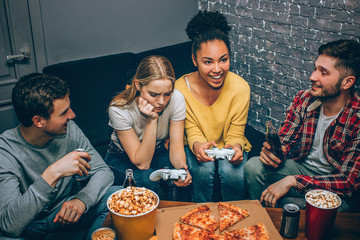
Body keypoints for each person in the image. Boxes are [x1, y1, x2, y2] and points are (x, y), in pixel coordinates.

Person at [245, 39, 360, 212]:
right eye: (315, 68)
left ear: (347, 82)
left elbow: (348, 183)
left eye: (324, 72)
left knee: (338, 209)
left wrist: (293, 181)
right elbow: (286, 142)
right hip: (303, 167)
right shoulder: (305, 98)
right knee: (253, 166)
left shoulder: (357, 118)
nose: (312, 77)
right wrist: (275, 153)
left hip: (335, 182)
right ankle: (264, 218)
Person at [0, 73, 119, 239]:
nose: (72, 115)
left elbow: (103, 172)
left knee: (119, 196)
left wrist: (82, 200)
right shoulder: (5, 151)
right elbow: (10, 225)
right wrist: (52, 173)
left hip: (65, 211)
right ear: (38, 121)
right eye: (63, 113)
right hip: (31, 225)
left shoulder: (68, 129)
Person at [175, 10, 252, 203]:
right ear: (195, 60)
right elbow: (191, 129)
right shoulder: (179, 88)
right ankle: (200, 219)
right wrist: (197, 145)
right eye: (208, 62)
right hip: (197, 144)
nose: (217, 69)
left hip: (229, 143)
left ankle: (235, 219)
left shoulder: (241, 88)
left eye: (223, 60)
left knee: (231, 172)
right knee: (203, 169)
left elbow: (236, 132)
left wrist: (235, 146)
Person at [104, 55, 192, 200]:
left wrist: (181, 171)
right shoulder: (119, 109)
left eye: (167, 94)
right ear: (138, 85)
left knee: (181, 173)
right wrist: (152, 120)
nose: (161, 102)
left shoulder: (177, 99)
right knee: (146, 179)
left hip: (157, 150)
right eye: (154, 94)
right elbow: (142, 163)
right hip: (121, 157)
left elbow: (176, 148)